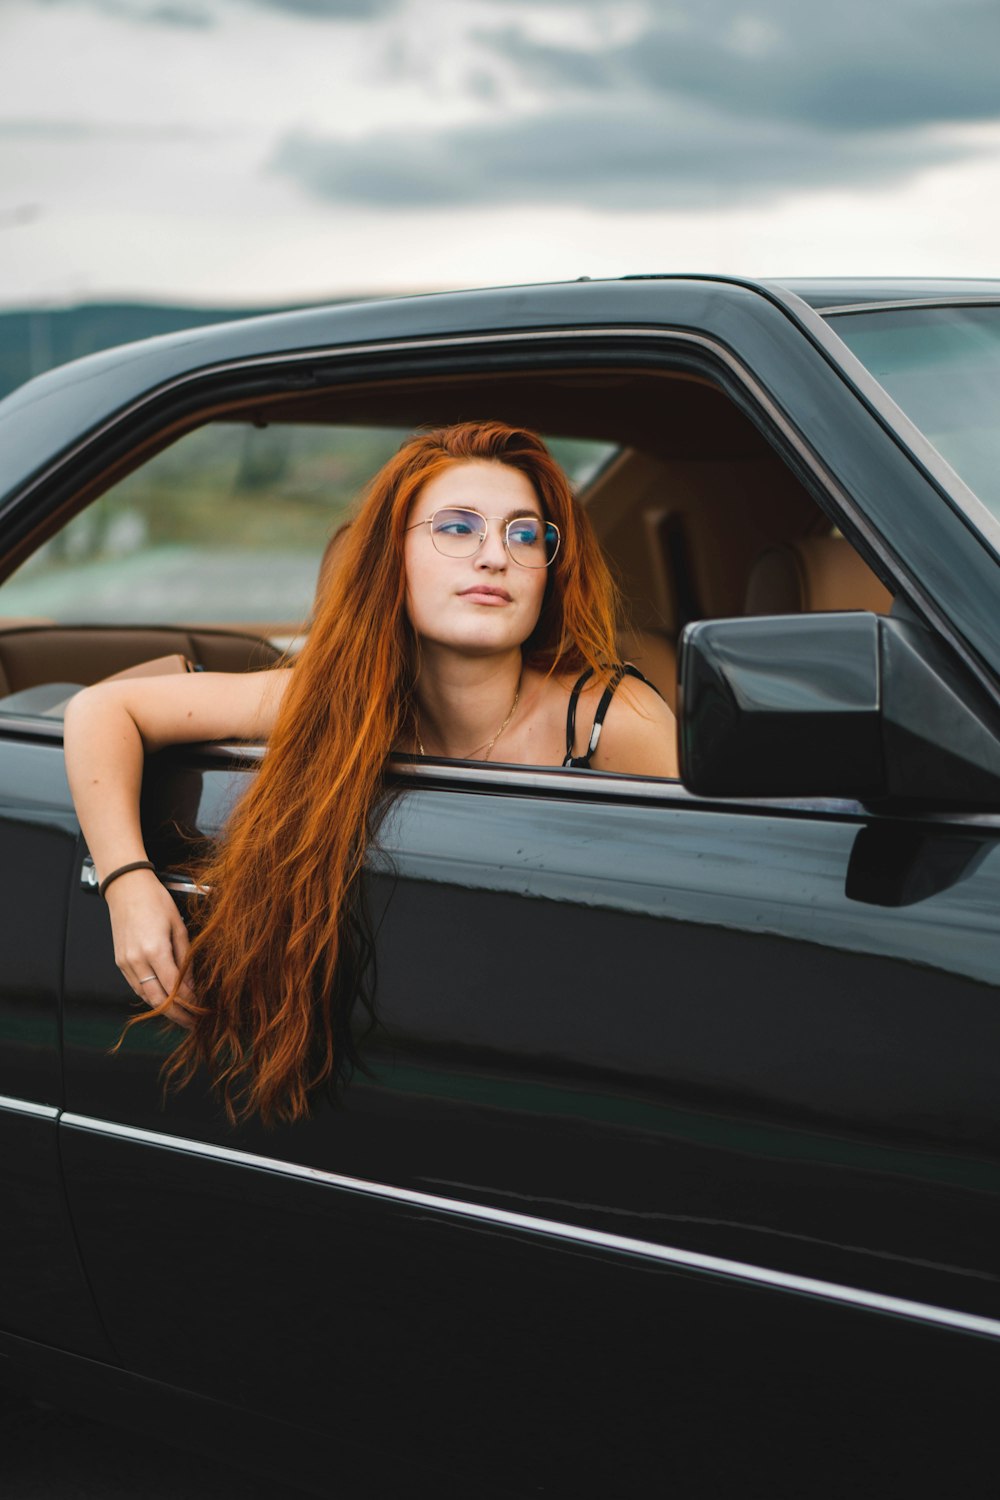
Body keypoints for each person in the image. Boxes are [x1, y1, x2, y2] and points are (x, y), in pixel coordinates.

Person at [64, 420, 678, 1124]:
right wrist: (127, 884)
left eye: (524, 534)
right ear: (395, 557)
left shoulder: (611, 720)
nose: (494, 558)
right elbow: (104, 709)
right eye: (456, 528)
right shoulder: (339, 701)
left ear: (548, 569)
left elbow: (697, 908)